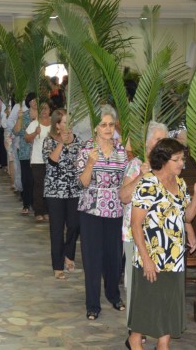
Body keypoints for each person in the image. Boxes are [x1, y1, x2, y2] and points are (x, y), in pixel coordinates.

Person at [127, 138, 196, 350]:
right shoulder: (148, 183)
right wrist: (146, 260)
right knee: (146, 305)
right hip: (152, 255)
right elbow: (135, 225)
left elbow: (187, 217)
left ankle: (163, 344)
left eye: (183, 159)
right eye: (177, 159)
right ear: (163, 160)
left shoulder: (180, 184)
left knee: (169, 305)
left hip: (175, 257)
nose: (182, 163)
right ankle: (135, 341)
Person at [77, 105, 128, 320]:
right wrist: (90, 163)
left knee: (114, 257)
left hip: (115, 210)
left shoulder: (122, 149)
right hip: (91, 209)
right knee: (92, 258)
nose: (108, 128)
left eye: (110, 124)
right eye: (103, 125)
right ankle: (92, 304)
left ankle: (113, 295)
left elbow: (126, 179)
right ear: (95, 128)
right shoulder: (86, 149)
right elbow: (82, 182)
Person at [42, 109, 82, 279]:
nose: (68, 126)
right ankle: (57, 266)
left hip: (74, 190)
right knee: (57, 229)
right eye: (65, 122)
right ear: (57, 125)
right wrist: (61, 143)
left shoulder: (78, 141)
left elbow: (82, 163)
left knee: (74, 225)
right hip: (55, 191)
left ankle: (69, 255)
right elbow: (51, 162)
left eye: (70, 122)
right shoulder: (49, 141)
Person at [26, 100, 51, 222]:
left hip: (52, 160)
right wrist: (35, 133)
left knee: (49, 186)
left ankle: (47, 210)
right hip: (38, 159)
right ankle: (38, 211)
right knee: (39, 186)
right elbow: (27, 139)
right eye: (42, 109)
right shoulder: (34, 124)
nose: (44, 111)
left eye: (46, 108)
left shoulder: (54, 123)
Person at [14, 92, 37, 215]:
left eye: (36, 100)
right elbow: (16, 132)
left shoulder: (43, 116)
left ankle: (36, 204)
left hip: (39, 152)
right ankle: (26, 204)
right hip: (25, 150)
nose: (34, 102)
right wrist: (19, 118)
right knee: (27, 178)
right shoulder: (24, 115)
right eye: (32, 100)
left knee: (36, 179)